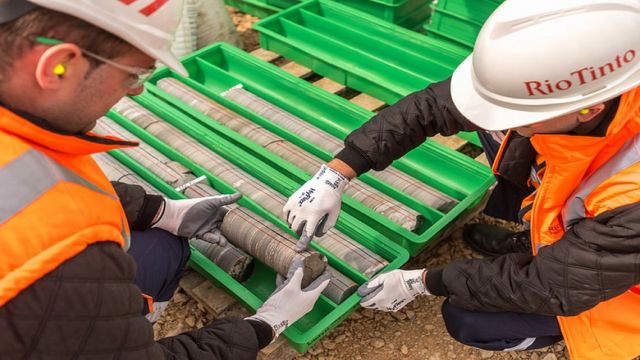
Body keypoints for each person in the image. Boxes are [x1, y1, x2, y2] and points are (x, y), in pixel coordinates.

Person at [283, 0, 640, 358]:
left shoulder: (632, 197)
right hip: (602, 230)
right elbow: (433, 107)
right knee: (501, 136)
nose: (506, 121)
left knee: (469, 318)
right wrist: (336, 173)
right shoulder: (599, 80)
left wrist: (422, 281)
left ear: (588, 108)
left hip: (623, 288)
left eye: (523, 115)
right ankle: (542, 244)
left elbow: (550, 286)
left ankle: (562, 301)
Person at [0, 1, 329, 359]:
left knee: (162, 247)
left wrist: (161, 211)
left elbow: (29, 188)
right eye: (134, 74)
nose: (137, 90)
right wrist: (264, 325)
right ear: (59, 68)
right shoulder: (64, 255)